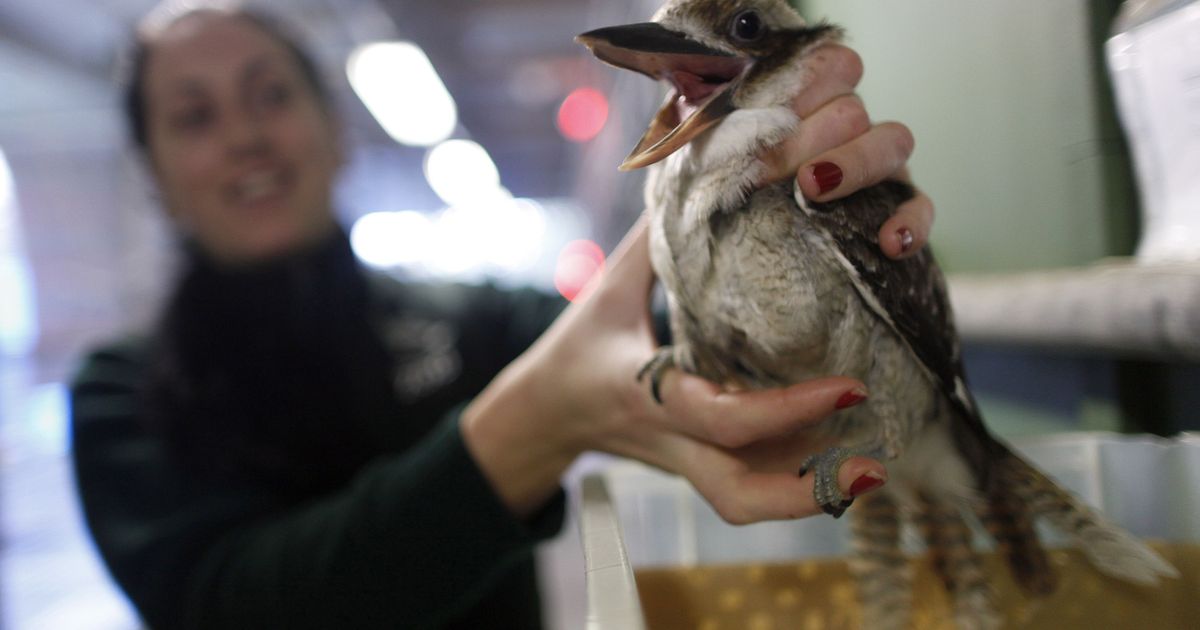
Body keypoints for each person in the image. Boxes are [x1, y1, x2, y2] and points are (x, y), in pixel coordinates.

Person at [69, 3, 935, 629]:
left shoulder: (472, 321)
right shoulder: (120, 395)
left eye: (270, 96)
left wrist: (811, 222)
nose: (245, 136)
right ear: (153, 172)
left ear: (332, 130)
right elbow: (235, 605)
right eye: (194, 116)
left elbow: (691, 349)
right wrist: (534, 423)